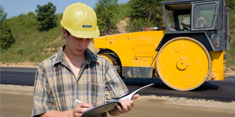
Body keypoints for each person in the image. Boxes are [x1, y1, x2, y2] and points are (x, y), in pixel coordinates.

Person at [32, 2, 139, 117]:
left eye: (88, 39)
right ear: (65, 32)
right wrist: (71, 114)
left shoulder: (103, 65)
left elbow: (113, 109)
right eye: (78, 38)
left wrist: (122, 108)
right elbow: (41, 113)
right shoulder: (46, 68)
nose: (83, 45)